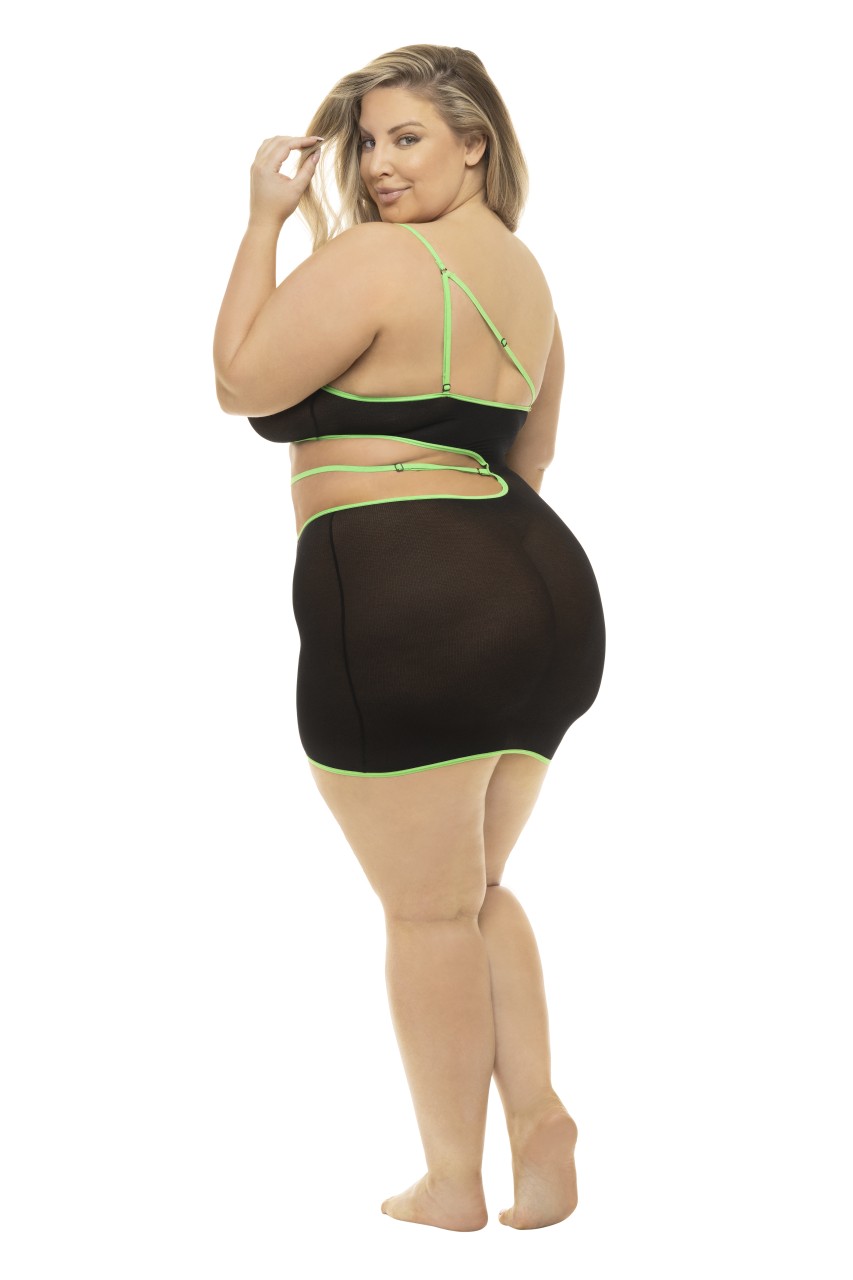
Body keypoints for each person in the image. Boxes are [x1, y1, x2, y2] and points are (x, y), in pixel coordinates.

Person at [213, 43, 606, 1232]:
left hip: (405, 605)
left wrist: (264, 221)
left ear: (473, 143)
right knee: (472, 889)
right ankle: (536, 1123)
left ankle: (451, 1181)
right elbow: (531, 455)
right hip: (539, 598)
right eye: (367, 142)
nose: (379, 165)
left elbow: (241, 379)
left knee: (425, 909)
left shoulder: (378, 258)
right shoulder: (525, 276)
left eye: (407, 138)